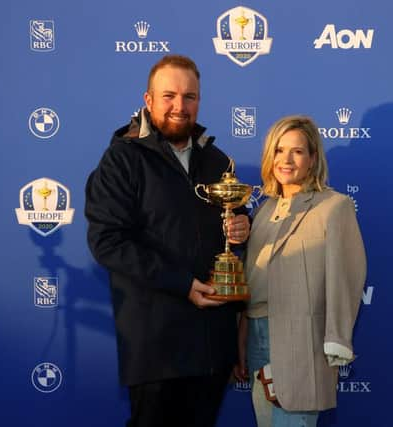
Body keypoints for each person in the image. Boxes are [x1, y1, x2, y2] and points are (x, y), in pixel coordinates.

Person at [85, 54, 250, 427]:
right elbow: (107, 241)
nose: (180, 106)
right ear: (148, 100)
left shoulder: (217, 160)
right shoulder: (122, 159)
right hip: (156, 345)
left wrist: (242, 225)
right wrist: (183, 284)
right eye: (169, 96)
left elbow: (231, 218)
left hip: (212, 344)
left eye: (189, 96)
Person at [234, 115, 366, 427]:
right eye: (279, 150)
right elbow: (253, 283)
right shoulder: (264, 209)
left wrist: (337, 339)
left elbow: (347, 278)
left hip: (301, 342)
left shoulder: (334, 206)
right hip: (256, 338)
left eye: (297, 151)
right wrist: (239, 341)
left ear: (313, 159)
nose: (286, 160)